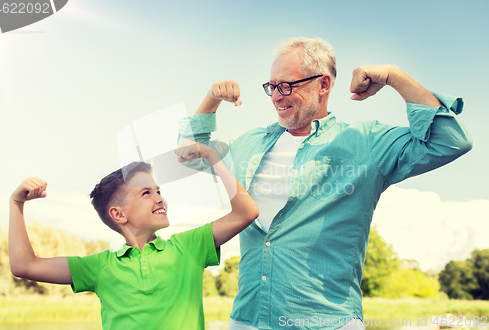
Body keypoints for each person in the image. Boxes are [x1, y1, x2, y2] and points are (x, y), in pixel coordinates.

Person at [178, 37, 472, 330]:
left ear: (323, 85)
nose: (277, 96)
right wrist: (211, 99)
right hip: (248, 319)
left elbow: (450, 141)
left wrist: (394, 76)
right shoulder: (249, 144)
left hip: (329, 322)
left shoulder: (364, 143)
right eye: (272, 87)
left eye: (287, 85)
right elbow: (187, 156)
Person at [8, 141, 259, 330]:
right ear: (118, 214)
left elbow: (246, 212)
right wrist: (16, 204)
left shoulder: (188, 247)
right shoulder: (100, 268)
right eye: (145, 193)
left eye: (158, 190)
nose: (159, 197)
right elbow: (24, 265)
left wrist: (213, 158)